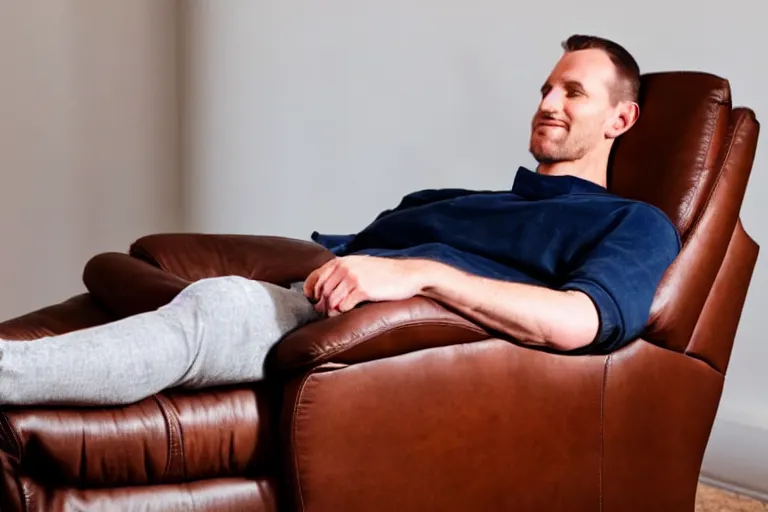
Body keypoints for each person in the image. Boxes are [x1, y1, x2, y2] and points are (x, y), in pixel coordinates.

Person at [0, 34, 680, 406]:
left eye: (573, 91)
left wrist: (421, 274)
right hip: (307, 292)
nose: (548, 102)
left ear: (621, 118)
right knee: (129, 274)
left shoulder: (632, 222)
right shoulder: (451, 202)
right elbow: (335, 255)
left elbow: (578, 322)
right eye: (545, 88)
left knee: (219, 308)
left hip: (342, 336)